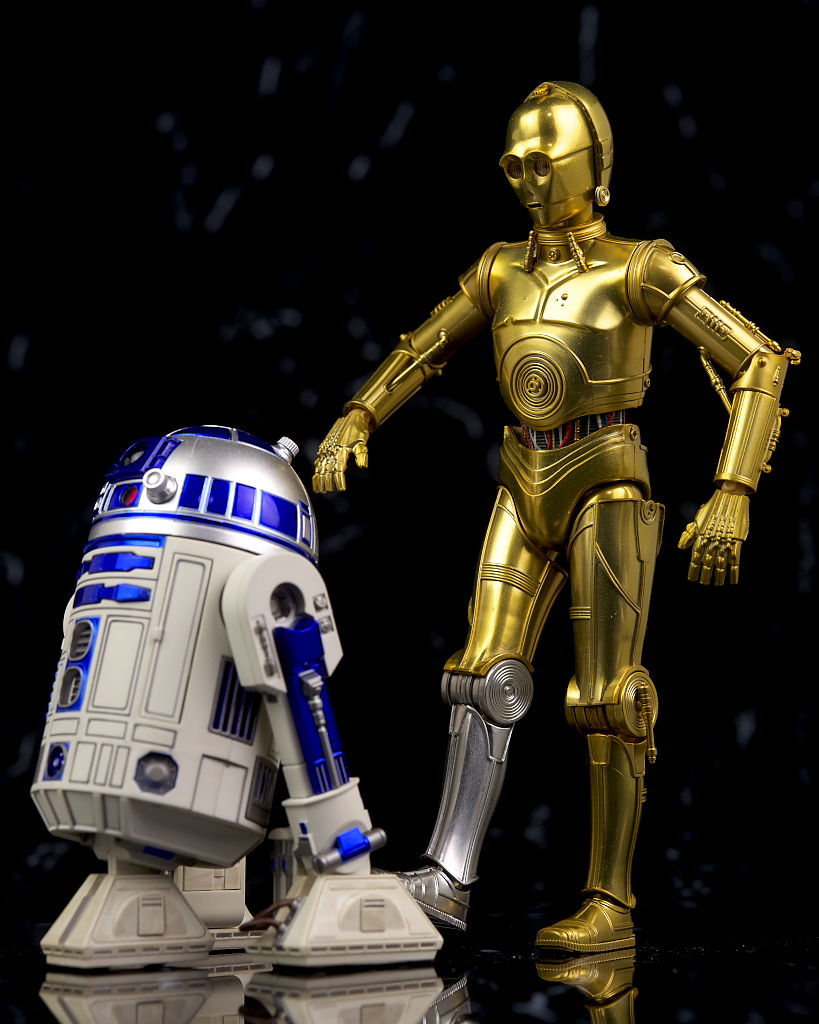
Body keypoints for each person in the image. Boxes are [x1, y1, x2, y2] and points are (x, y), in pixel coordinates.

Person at [312, 81, 798, 954]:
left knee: (607, 698)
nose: (528, 183)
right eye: (513, 166)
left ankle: (610, 902)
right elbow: (423, 347)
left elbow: (758, 359)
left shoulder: (639, 266)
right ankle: (447, 880)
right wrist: (357, 415)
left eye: (544, 164)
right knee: (477, 676)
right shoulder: (500, 267)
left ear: (593, 167)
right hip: (521, 479)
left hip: (604, 482)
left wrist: (733, 490)